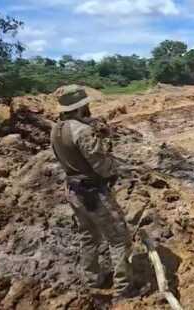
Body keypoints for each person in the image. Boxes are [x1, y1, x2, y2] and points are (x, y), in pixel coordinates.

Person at [50, 85, 135, 299]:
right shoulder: (82, 131)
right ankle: (124, 288)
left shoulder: (56, 129)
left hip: (73, 190)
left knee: (88, 235)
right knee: (119, 238)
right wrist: (106, 141)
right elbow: (103, 166)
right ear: (80, 107)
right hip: (94, 193)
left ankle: (92, 278)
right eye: (85, 105)